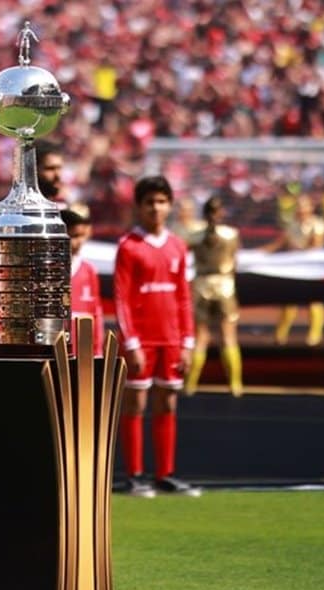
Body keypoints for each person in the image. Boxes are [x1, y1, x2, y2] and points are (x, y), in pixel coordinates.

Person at [113, 176, 199, 497]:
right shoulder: (129, 246)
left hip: (172, 339)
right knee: (135, 402)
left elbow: (184, 297)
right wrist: (131, 342)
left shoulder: (178, 246)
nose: (156, 208)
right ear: (139, 206)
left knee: (168, 401)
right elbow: (122, 299)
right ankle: (135, 475)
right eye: (149, 202)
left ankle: (166, 473)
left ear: (170, 205)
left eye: (161, 201)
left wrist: (188, 342)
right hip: (142, 340)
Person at [185, 197, 243, 397]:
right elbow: (235, 262)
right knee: (228, 336)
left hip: (201, 285)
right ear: (222, 213)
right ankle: (235, 385)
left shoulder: (194, 236)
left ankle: (190, 384)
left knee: (200, 337)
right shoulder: (231, 235)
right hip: (225, 285)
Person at [269, 195, 324, 347]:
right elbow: (279, 243)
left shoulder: (317, 224)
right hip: (294, 269)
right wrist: (258, 254)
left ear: (310, 208)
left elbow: (316, 245)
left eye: (303, 206)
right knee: (289, 302)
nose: (300, 209)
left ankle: (314, 336)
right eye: (298, 206)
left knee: (313, 302)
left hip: (312, 270)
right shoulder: (291, 224)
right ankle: (280, 335)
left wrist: (299, 251)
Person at [65, 208, 105, 357]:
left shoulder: (89, 270)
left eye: (81, 235)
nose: (79, 241)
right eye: (74, 236)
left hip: (83, 350)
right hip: (59, 350)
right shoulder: (49, 269)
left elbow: (96, 313)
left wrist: (97, 351)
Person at [35, 140, 67, 207]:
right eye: (50, 169)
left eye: (59, 168)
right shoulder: (17, 209)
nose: (58, 175)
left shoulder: (63, 205)